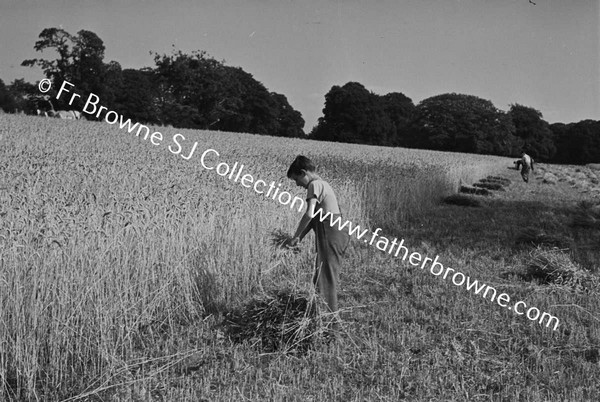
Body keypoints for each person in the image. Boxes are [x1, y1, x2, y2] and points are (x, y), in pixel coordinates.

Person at [284, 155, 350, 332]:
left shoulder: (315, 185)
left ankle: (331, 329)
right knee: (319, 279)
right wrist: (298, 238)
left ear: (304, 172)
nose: (297, 184)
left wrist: (295, 235)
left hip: (331, 233)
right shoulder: (323, 185)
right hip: (331, 232)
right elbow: (315, 219)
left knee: (326, 280)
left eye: (297, 179)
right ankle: (320, 320)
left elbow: (309, 214)